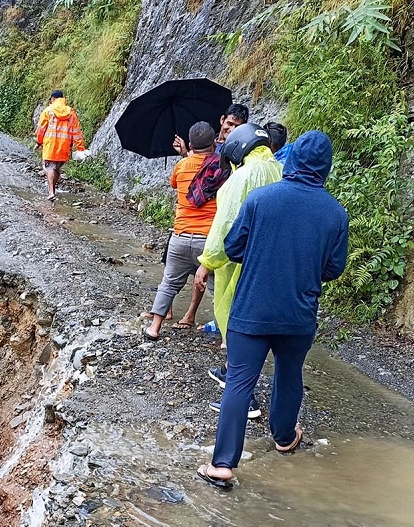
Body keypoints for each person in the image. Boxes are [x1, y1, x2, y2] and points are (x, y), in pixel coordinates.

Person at [197, 131, 349, 489]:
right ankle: (284, 437)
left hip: (251, 309)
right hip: (298, 313)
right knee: (290, 373)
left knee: (239, 380)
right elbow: (334, 269)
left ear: (292, 159)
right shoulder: (335, 213)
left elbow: (233, 248)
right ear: (325, 167)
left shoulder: (260, 200)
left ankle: (222, 465)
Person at [194, 123, 282, 415]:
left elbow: (225, 225)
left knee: (235, 322)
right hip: (271, 262)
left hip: (239, 262)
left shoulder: (242, 177)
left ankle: (245, 398)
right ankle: (235, 378)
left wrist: (207, 263)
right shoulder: (279, 170)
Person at [143, 121, 220, 340]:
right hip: (208, 240)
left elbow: (175, 184)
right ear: (214, 141)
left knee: (168, 283)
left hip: (180, 236)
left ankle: (154, 328)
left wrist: (186, 157)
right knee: (218, 289)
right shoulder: (220, 168)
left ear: (191, 144)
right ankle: (227, 339)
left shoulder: (182, 166)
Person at [35, 89, 87, 201]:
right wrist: (80, 148)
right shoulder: (71, 113)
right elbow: (77, 132)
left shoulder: (48, 111)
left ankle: (51, 191)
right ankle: (54, 187)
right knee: (57, 168)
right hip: (64, 146)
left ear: (53, 99)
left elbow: (41, 129)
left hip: (50, 146)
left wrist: (39, 142)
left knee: (49, 167)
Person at [173, 104, 249, 157]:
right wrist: (184, 153)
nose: (232, 129)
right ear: (222, 119)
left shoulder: (238, 149)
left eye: (237, 126)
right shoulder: (207, 141)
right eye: (230, 124)